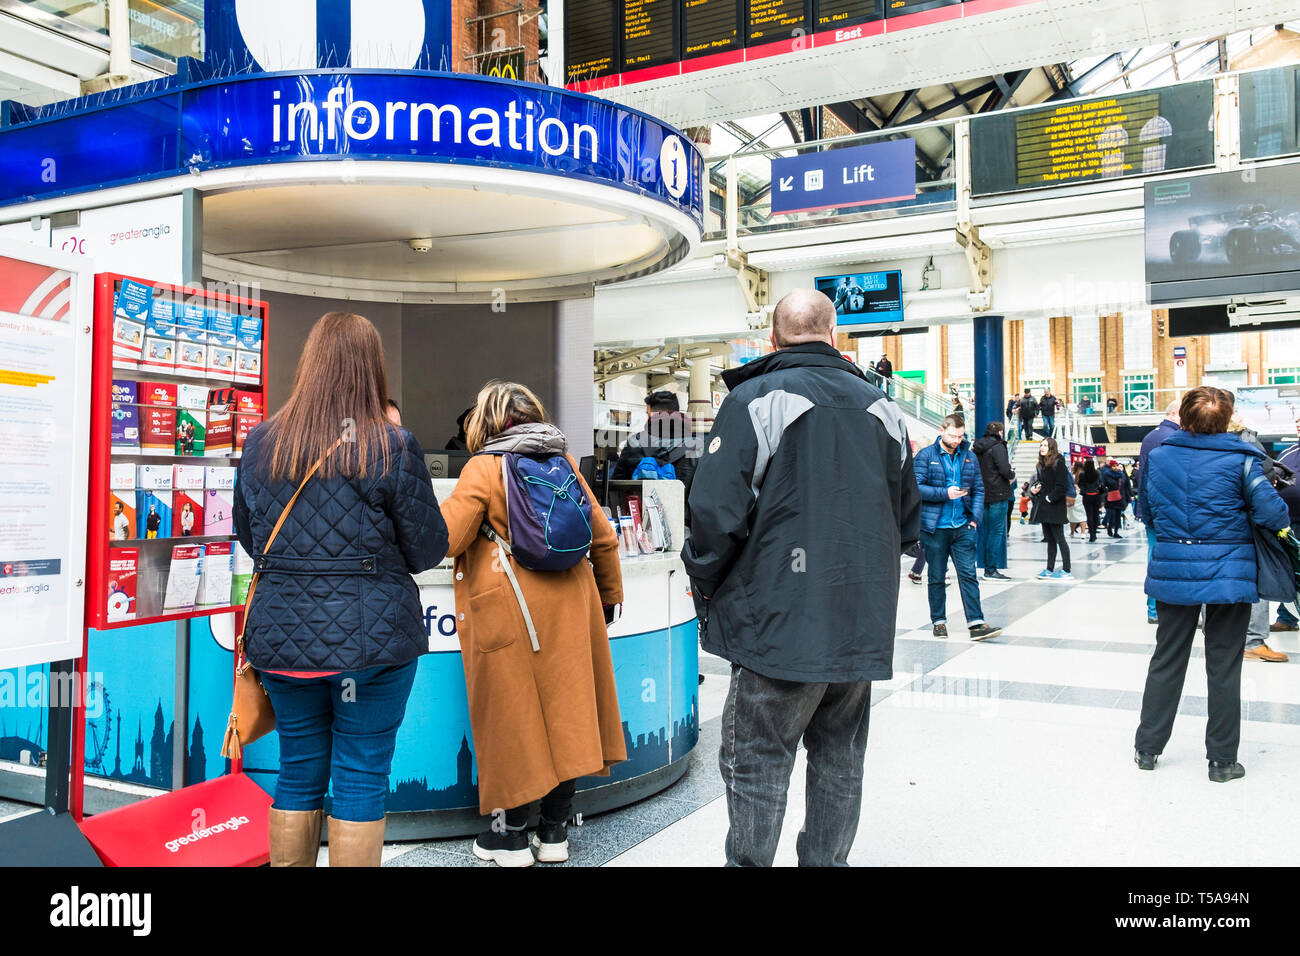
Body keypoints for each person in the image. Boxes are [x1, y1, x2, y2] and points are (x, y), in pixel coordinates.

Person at [681, 288, 921, 867]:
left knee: (759, 759)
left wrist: (705, 583)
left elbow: (715, 516)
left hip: (778, 625)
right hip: (859, 623)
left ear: (772, 336)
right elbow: (908, 519)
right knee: (840, 757)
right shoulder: (882, 408)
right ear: (833, 334)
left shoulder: (755, 399)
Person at [233, 311, 448, 867]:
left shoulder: (261, 444)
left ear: (310, 365)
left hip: (282, 642)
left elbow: (252, 539)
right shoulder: (392, 446)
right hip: (372, 645)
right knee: (361, 773)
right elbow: (428, 550)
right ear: (370, 370)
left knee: (298, 768)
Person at [439, 382, 625, 866]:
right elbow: (603, 537)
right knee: (569, 718)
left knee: (513, 720)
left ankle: (510, 836)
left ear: (485, 423)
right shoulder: (563, 462)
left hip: (511, 609)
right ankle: (555, 831)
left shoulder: (484, 466)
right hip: (573, 607)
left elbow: (447, 538)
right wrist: (607, 600)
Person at [1135, 386, 1289, 782]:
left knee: (1167, 658)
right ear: (1227, 421)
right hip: (1229, 574)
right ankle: (1222, 761)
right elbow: (1274, 515)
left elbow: (1147, 512)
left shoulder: (1159, 456)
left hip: (1174, 569)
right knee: (1223, 665)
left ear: (1183, 417)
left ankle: (1147, 749)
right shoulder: (1244, 460)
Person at [915, 414, 1001, 640]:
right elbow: (916, 487)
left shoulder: (969, 456)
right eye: (952, 435)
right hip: (935, 528)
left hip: (963, 526)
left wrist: (975, 519)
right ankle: (939, 621)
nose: (956, 440)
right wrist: (945, 493)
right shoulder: (926, 456)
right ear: (942, 430)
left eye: (960, 436)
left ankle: (976, 623)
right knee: (936, 576)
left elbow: (979, 489)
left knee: (968, 574)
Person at [1138, 402, 1181, 622]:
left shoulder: (1156, 435)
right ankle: (1155, 609)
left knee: (1158, 556)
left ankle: (1158, 608)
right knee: (1158, 558)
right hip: (1160, 511)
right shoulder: (1164, 436)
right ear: (1174, 413)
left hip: (1156, 509)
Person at [611, 390, 698, 493]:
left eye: (647, 414)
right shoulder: (696, 446)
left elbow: (616, 486)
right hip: (683, 508)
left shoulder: (635, 442)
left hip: (643, 507)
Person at [972, 421, 1014, 580]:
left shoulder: (977, 447)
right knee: (995, 533)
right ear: (999, 432)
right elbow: (1004, 470)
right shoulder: (998, 447)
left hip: (981, 494)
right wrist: (1012, 475)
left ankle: (978, 566)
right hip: (998, 494)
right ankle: (990, 569)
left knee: (982, 532)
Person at [1028, 438, 1072, 580]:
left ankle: (1067, 570)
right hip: (1044, 507)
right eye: (1041, 445)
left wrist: (1049, 498)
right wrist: (1036, 488)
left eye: (1045, 445)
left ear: (1052, 447)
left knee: (1060, 538)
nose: (1042, 447)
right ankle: (1049, 568)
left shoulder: (1058, 463)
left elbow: (1062, 486)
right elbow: (1043, 482)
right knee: (1050, 539)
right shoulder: (1042, 465)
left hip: (1055, 507)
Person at [1100, 458, 1130, 537]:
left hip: (1120, 497)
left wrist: (1128, 497)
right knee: (1110, 514)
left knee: (1117, 515)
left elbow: (1126, 485)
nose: (1115, 467)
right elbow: (1104, 485)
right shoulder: (1106, 474)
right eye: (1113, 466)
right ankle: (1109, 528)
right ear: (1110, 466)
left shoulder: (1121, 474)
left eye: (1116, 465)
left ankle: (1116, 532)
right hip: (1110, 498)